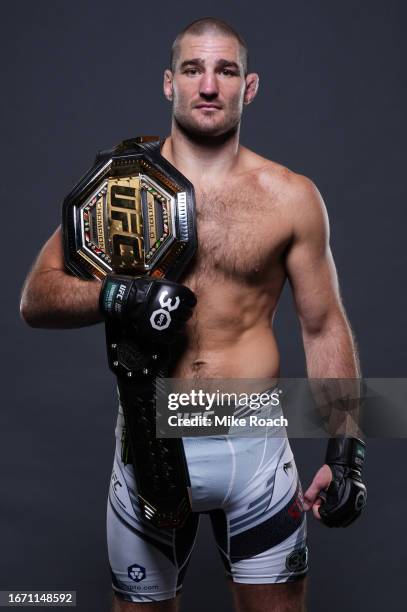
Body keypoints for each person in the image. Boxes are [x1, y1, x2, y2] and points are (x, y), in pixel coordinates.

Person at [20, 17, 366, 612]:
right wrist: (117, 295)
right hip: (148, 440)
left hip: (254, 443)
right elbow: (36, 299)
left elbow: (324, 324)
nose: (209, 85)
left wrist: (346, 448)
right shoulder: (118, 190)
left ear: (248, 87)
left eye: (225, 71)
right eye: (193, 69)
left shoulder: (291, 196)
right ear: (168, 83)